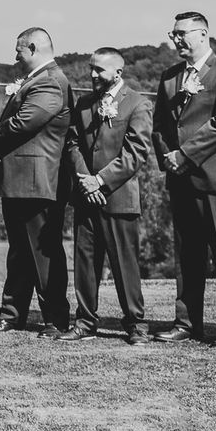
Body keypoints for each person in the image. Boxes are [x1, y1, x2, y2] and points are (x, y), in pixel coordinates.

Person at [151, 11, 216, 348]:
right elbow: (160, 124)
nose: (176, 40)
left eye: (182, 33)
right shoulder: (169, 76)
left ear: (203, 34)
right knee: (186, 256)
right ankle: (186, 323)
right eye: (173, 34)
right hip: (180, 179)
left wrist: (185, 155)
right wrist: (168, 157)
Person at [0, 27, 73, 338]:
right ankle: (12, 314)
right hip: (20, 179)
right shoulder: (37, 79)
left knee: (43, 253)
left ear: (33, 48)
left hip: (38, 179)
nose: (15, 57)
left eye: (19, 50)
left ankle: (56, 319)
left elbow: (25, 122)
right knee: (20, 252)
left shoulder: (50, 81)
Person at [61, 49, 152, 344]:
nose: (93, 75)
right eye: (91, 68)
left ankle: (136, 324)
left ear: (118, 72)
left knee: (124, 265)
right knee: (85, 263)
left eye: (99, 70)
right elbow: (72, 143)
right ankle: (85, 322)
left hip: (119, 197)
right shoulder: (84, 103)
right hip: (85, 195)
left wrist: (100, 181)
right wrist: (85, 180)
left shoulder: (138, 103)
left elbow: (136, 152)